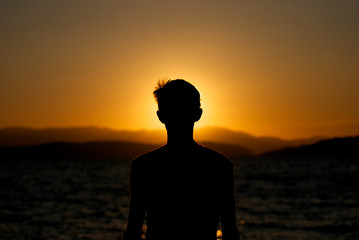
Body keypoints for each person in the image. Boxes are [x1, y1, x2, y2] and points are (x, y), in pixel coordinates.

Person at [123, 79, 240, 240]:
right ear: (198, 114)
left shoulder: (143, 166)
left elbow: (133, 231)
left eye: (181, 110)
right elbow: (231, 232)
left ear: (160, 116)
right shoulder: (220, 165)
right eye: (175, 110)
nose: (178, 116)